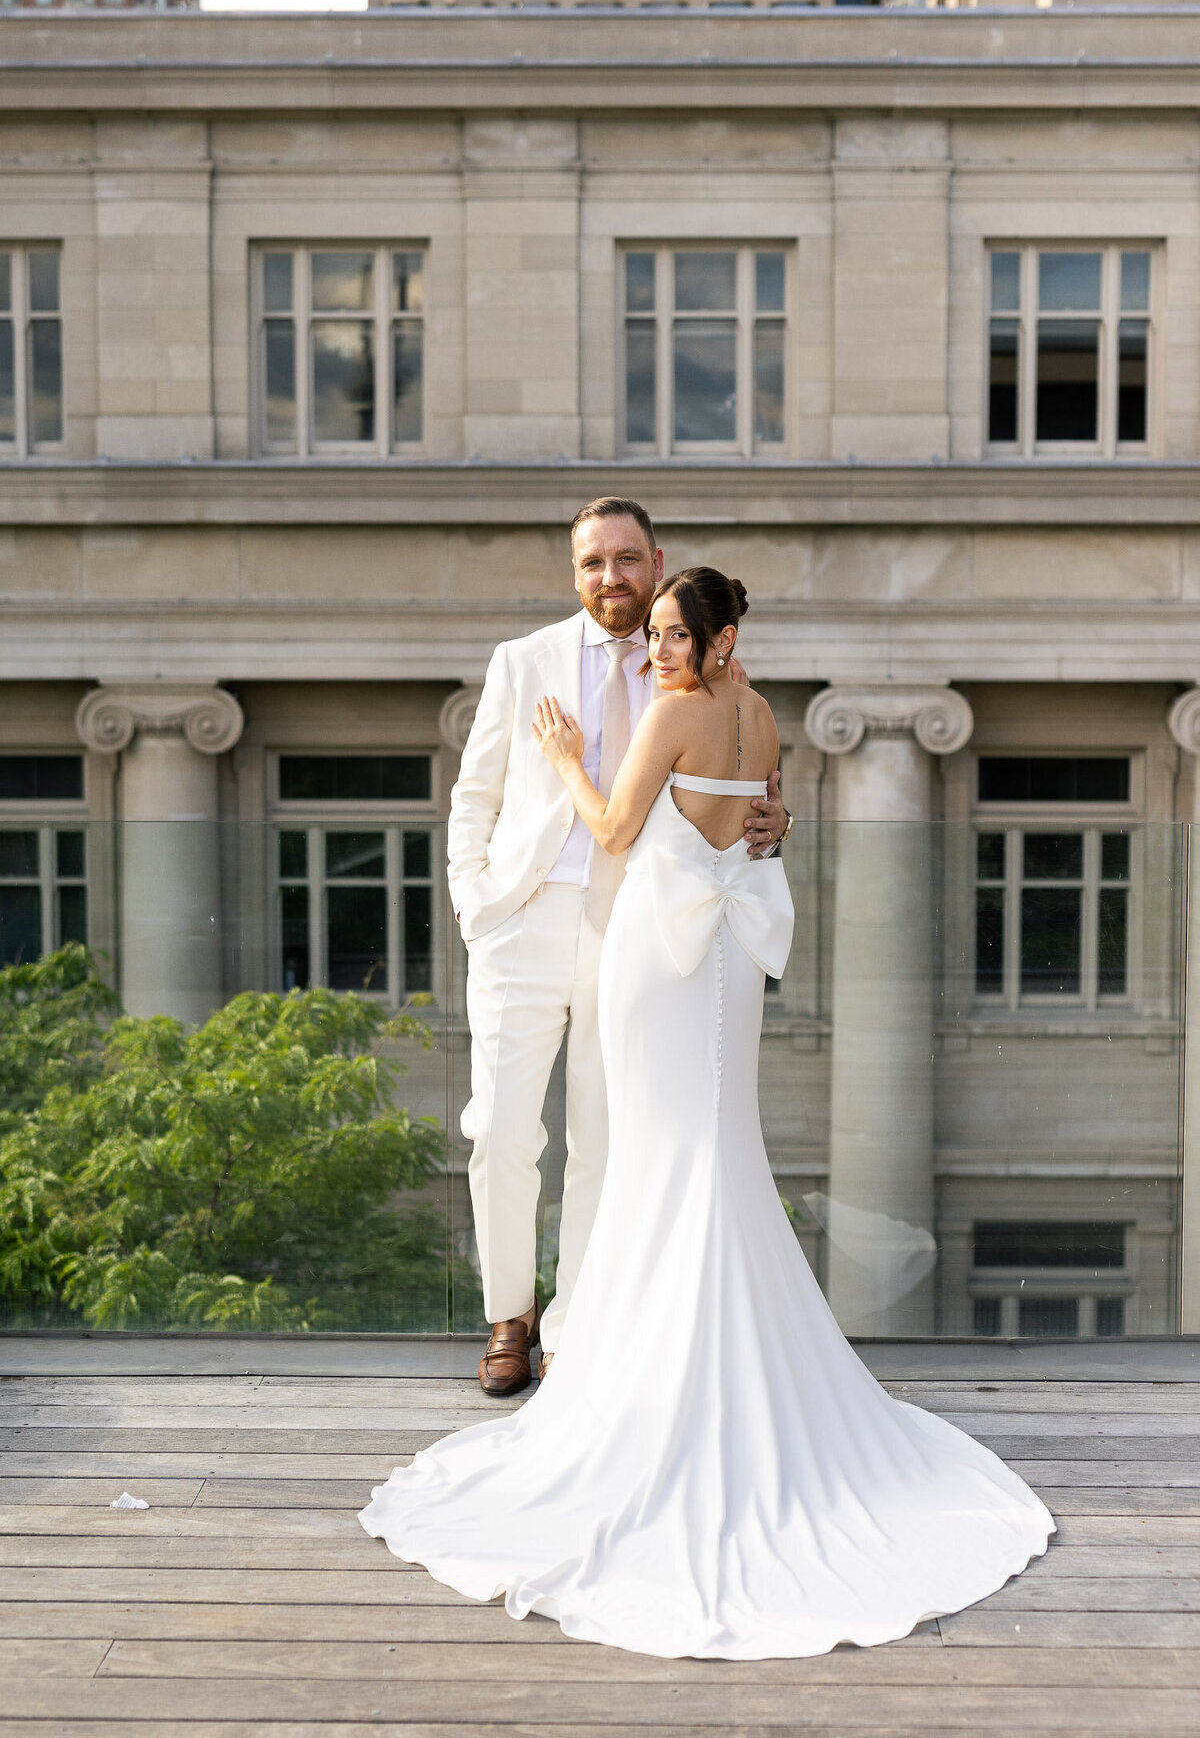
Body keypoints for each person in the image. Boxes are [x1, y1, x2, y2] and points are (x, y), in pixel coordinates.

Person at [360, 567, 1055, 1660]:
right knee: (708, 1147)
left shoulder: (678, 713)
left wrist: (566, 763)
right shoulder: (763, 713)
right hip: (726, 953)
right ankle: (691, 1356)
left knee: (659, 1152)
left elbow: (617, 831)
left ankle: (647, 1385)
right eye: (662, 638)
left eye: (679, 636)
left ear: (723, 639)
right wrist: (767, 824)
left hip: (660, 955)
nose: (662, 652)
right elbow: (764, 825)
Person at [446, 497, 789, 1395]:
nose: (612, 577)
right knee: (501, 1131)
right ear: (574, 572)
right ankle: (508, 1316)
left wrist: (776, 816)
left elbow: (742, 781)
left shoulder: (699, 670)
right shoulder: (521, 663)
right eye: (593, 562)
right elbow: (473, 793)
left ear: (656, 561)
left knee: (606, 1134)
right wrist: (473, 900)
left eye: (628, 559)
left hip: (633, 923)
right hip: (519, 918)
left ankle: (574, 1325)